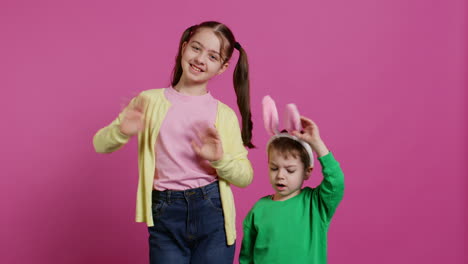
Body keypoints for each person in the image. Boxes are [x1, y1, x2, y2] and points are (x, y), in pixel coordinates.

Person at [93, 21, 254, 264]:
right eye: (196, 48)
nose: (200, 59)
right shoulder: (149, 101)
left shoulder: (224, 115)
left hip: (212, 212)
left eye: (212, 56)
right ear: (184, 46)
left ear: (222, 67)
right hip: (165, 212)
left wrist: (220, 159)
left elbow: (245, 176)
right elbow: (99, 144)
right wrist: (122, 131)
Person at [239, 114, 344, 264]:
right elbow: (246, 257)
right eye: (274, 168)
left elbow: (336, 182)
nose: (280, 175)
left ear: (307, 171)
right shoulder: (258, 209)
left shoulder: (315, 204)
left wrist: (317, 143)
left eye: (290, 170)